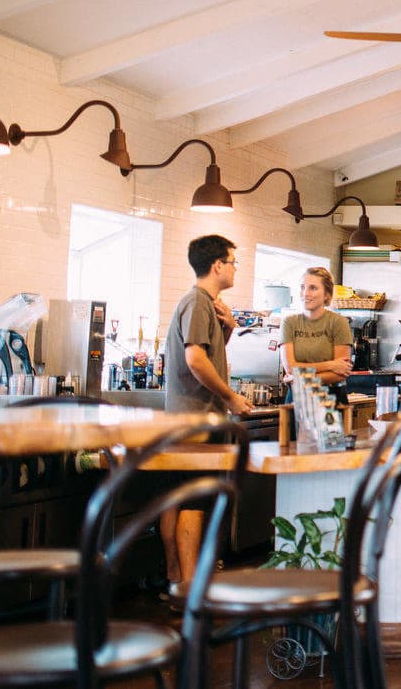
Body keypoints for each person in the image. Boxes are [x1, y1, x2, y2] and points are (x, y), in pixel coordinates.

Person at [162, 234, 253, 598]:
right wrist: (230, 397)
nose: (235, 268)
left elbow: (208, 354)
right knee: (193, 501)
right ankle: (189, 589)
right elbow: (196, 361)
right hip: (195, 421)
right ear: (217, 265)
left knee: (178, 497)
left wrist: (229, 328)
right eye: (233, 262)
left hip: (184, 419)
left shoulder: (205, 304)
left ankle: (175, 580)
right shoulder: (198, 303)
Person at [280, 267, 353, 397]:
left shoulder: (338, 322)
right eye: (303, 287)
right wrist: (330, 365)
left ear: (326, 294)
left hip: (330, 397)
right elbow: (291, 368)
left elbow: (340, 373)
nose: (305, 293)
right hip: (297, 398)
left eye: (312, 288)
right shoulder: (289, 322)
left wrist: (301, 379)